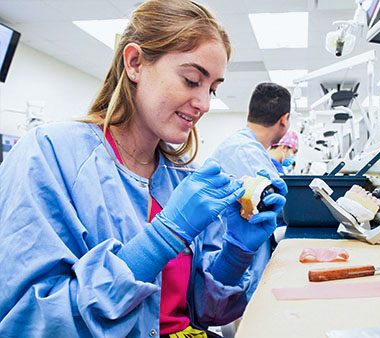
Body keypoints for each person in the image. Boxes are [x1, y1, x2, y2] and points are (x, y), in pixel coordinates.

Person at [0, 1, 287, 337]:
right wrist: (161, 239)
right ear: (135, 63)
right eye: (191, 80)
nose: (205, 104)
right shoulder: (49, 155)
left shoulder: (182, 177)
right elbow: (29, 322)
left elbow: (203, 313)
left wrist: (237, 251)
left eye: (212, 89)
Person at [210, 82, 291, 299]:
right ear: (284, 119)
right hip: (235, 265)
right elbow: (277, 206)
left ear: (249, 113)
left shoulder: (247, 147)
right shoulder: (245, 152)